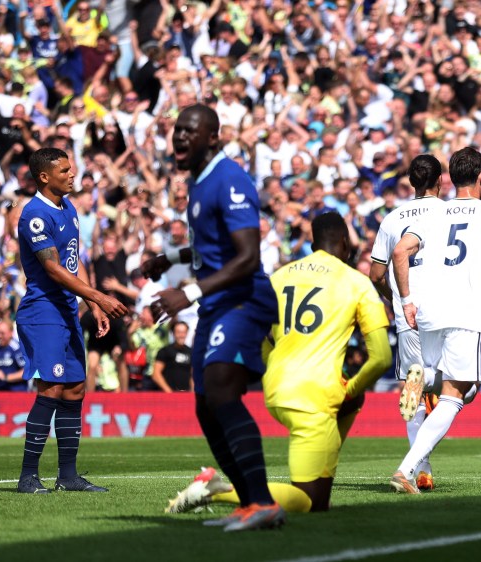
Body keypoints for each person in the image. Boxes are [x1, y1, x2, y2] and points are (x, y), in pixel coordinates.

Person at [167, 212, 392, 513]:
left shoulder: (281, 275)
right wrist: (348, 390)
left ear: (312, 244)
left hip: (277, 386)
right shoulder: (357, 283)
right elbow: (381, 358)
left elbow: (258, 336)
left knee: (352, 408)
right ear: (344, 243)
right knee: (308, 501)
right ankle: (214, 491)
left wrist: (272, 367)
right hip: (316, 395)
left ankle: (322, 466)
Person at [142, 105, 283, 531]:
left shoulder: (230, 178)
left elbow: (246, 257)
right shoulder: (199, 183)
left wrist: (184, 292)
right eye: (176, 130)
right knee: (206, 406)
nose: (179, 137)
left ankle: (262, 502)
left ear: (212, 138)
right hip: (217, 303)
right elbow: (211, 247)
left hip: (244, 298)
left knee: (222, 389)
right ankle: (249, 502)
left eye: (189, 130)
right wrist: (170, 257)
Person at [16, 147, 126, 494]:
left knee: (76, 388)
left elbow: (73, 262)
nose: (72, 174)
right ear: (44, 177)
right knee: (51, 387)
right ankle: (28, 477)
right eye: (64, 170)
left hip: (68, 310)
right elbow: (51, 267)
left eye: (71, 168)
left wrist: (90, 305)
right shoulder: (34, 214)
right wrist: (99, 296)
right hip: (43, 311)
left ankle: (68, 476)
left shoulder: (70, 209)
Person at [387, 147, 481, 494]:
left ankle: (427, 378)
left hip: (430, 316)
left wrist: (406, 301)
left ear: (450, 179)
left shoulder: (435, 213)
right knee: (461, 392)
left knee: (456, 386)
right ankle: (406, 469)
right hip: (467, 314)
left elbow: (399, 251)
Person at [368, 154, 446, 491]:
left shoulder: (392, 218)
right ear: (439, 181)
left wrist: (397, 299)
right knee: (461, 384)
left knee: (413, 392)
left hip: (407, 311)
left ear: (411, 182)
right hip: (446, 307)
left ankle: (421, 469)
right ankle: (428, 379)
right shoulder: (450, 211)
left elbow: (375, 272)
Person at [151, 321, 193, 392]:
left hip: (186, 395)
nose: (181, 335)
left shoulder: (191, 352)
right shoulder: (164, 351)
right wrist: (169, 392)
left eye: (183, 332)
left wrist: (193, 393)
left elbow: (193, 376)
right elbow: (156, 374)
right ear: (173, 333)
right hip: (168, 395)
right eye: (178, 332)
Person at [0, 320, 27, 391]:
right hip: (1, 392)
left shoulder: (17, 349)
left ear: (11, 333)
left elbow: (26, 371)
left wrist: (6, 377)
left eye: (2, 333)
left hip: (18, 393)